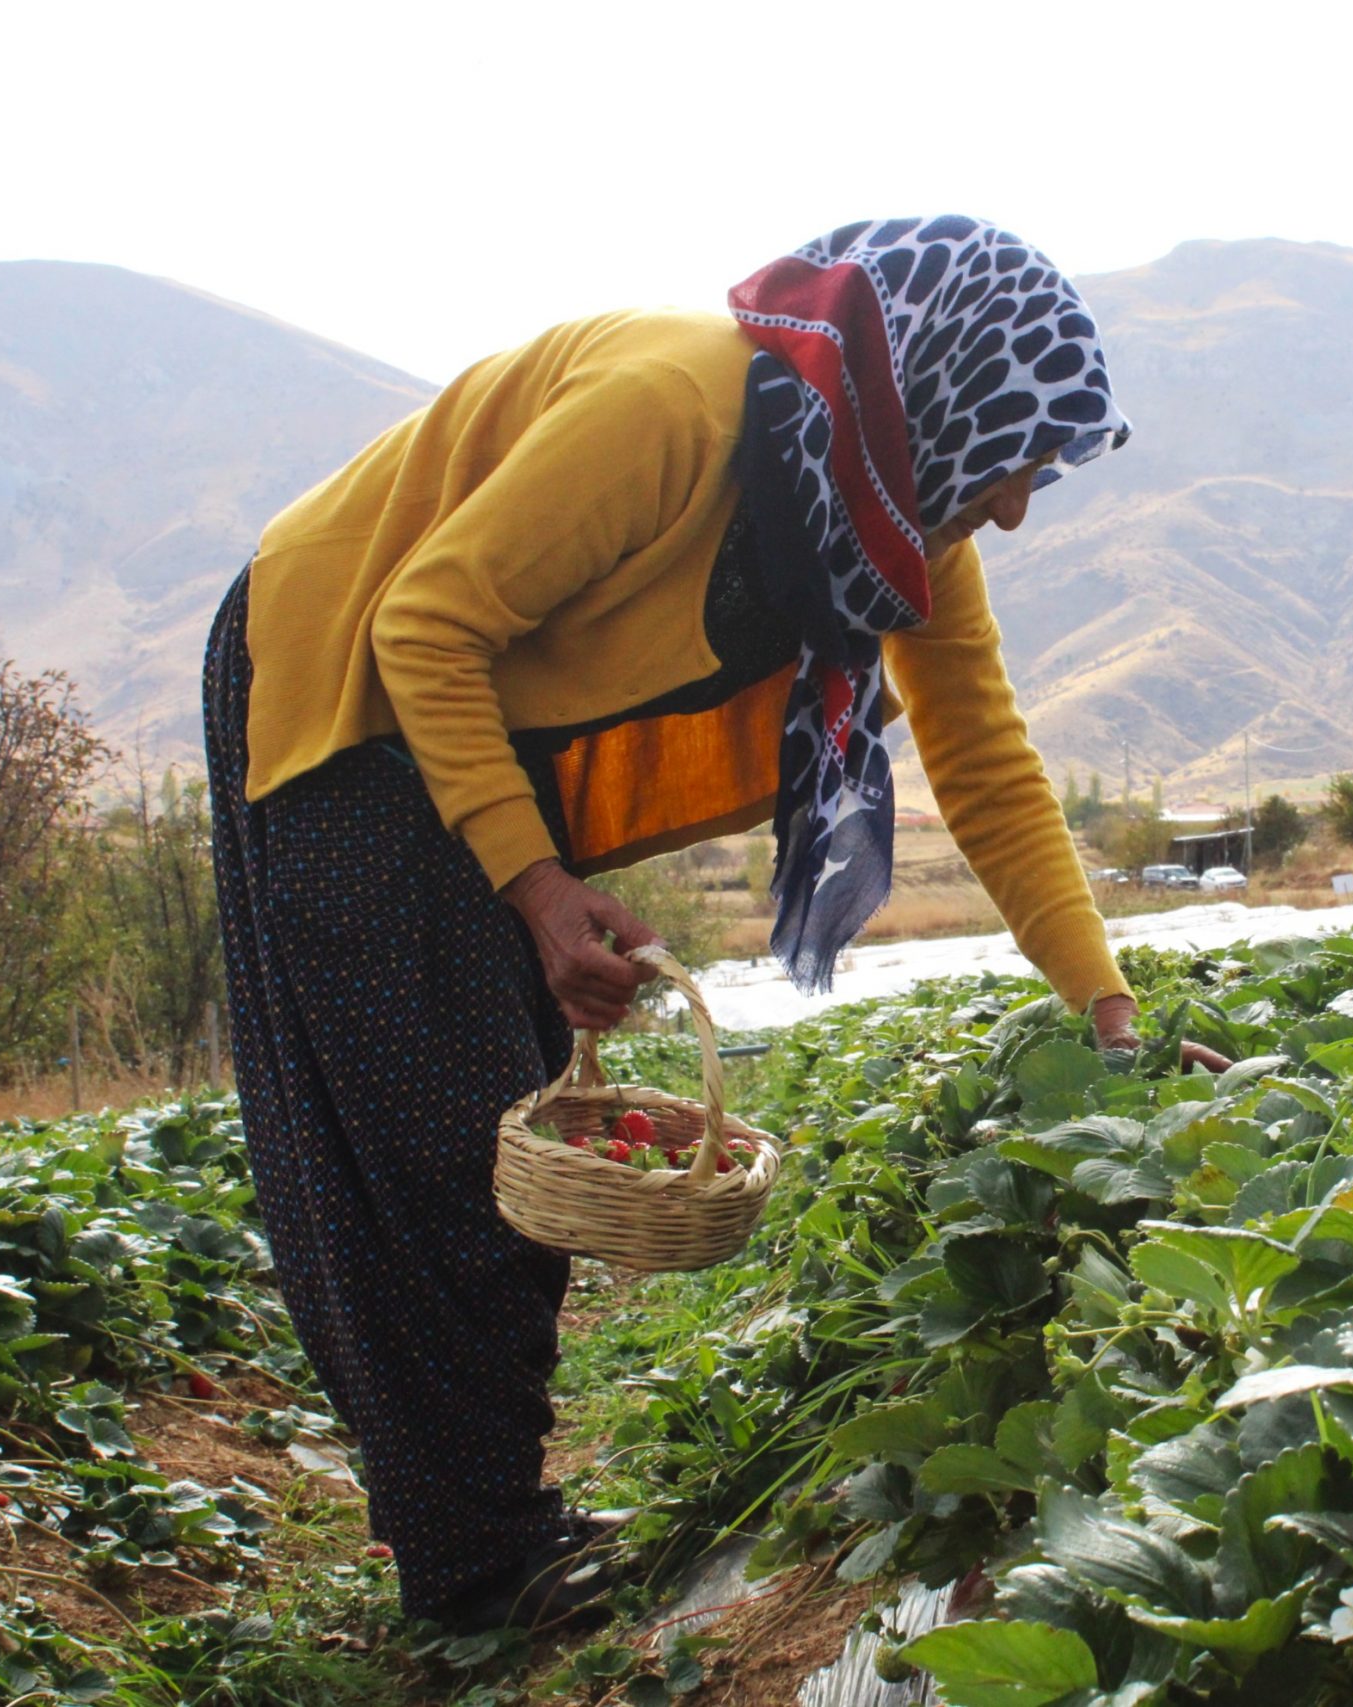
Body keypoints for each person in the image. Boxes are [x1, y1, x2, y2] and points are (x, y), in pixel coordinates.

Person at [203, 217, 1225, 1633]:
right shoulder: (675, 407)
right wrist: (538, 887)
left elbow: (987, 764)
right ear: (941, 392)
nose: (1012, 511)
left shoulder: (895, 514)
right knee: (437, 1148)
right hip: (336, 681)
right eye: (1015, 460)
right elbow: (426, 622)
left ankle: (492, 1521)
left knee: (513, 1129)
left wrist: (1109, 1012)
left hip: (466, 721)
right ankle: (477, 1577)